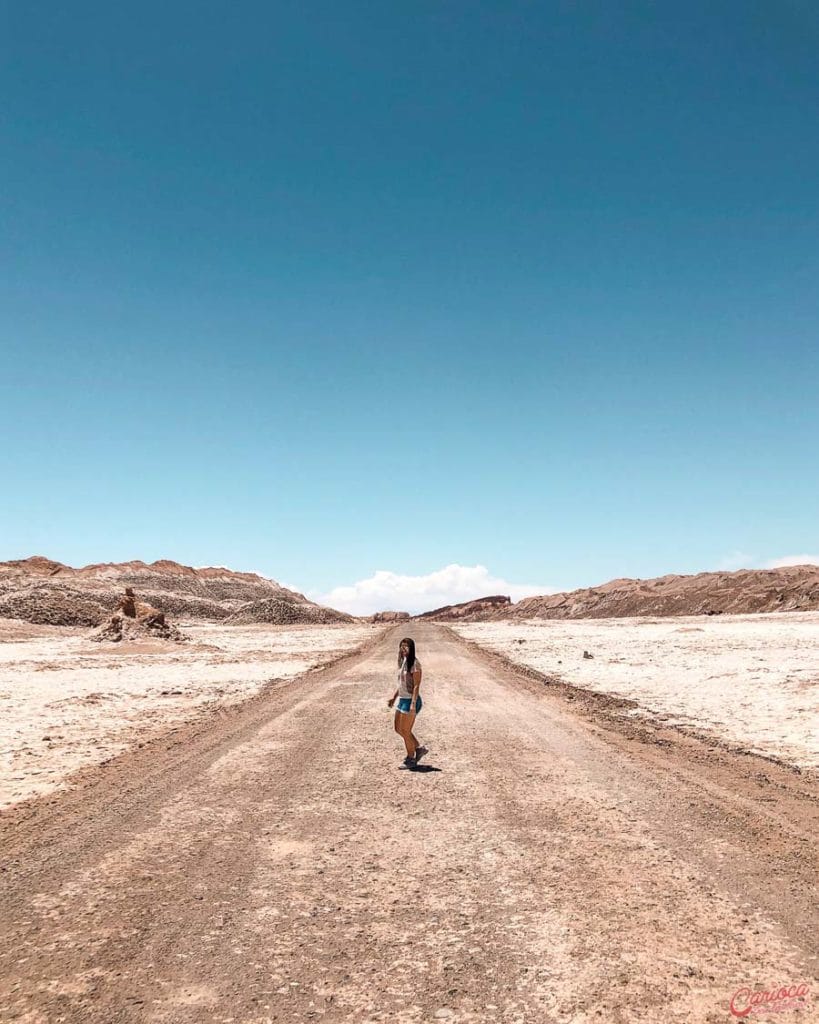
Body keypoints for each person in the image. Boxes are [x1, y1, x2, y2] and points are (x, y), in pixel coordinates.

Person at [387, 637, 428, 767]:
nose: (403, 648)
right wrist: (394, 698)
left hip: (411, 700)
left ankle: (411, 758)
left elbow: (416, 685)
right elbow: (401, 684)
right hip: (402, 699)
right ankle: (419, 748)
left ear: (411, 649)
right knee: (398, 729)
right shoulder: (403, 662)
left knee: (405, 730)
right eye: (402, 646)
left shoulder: (414, 663)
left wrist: (413, 704)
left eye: (406, 646)